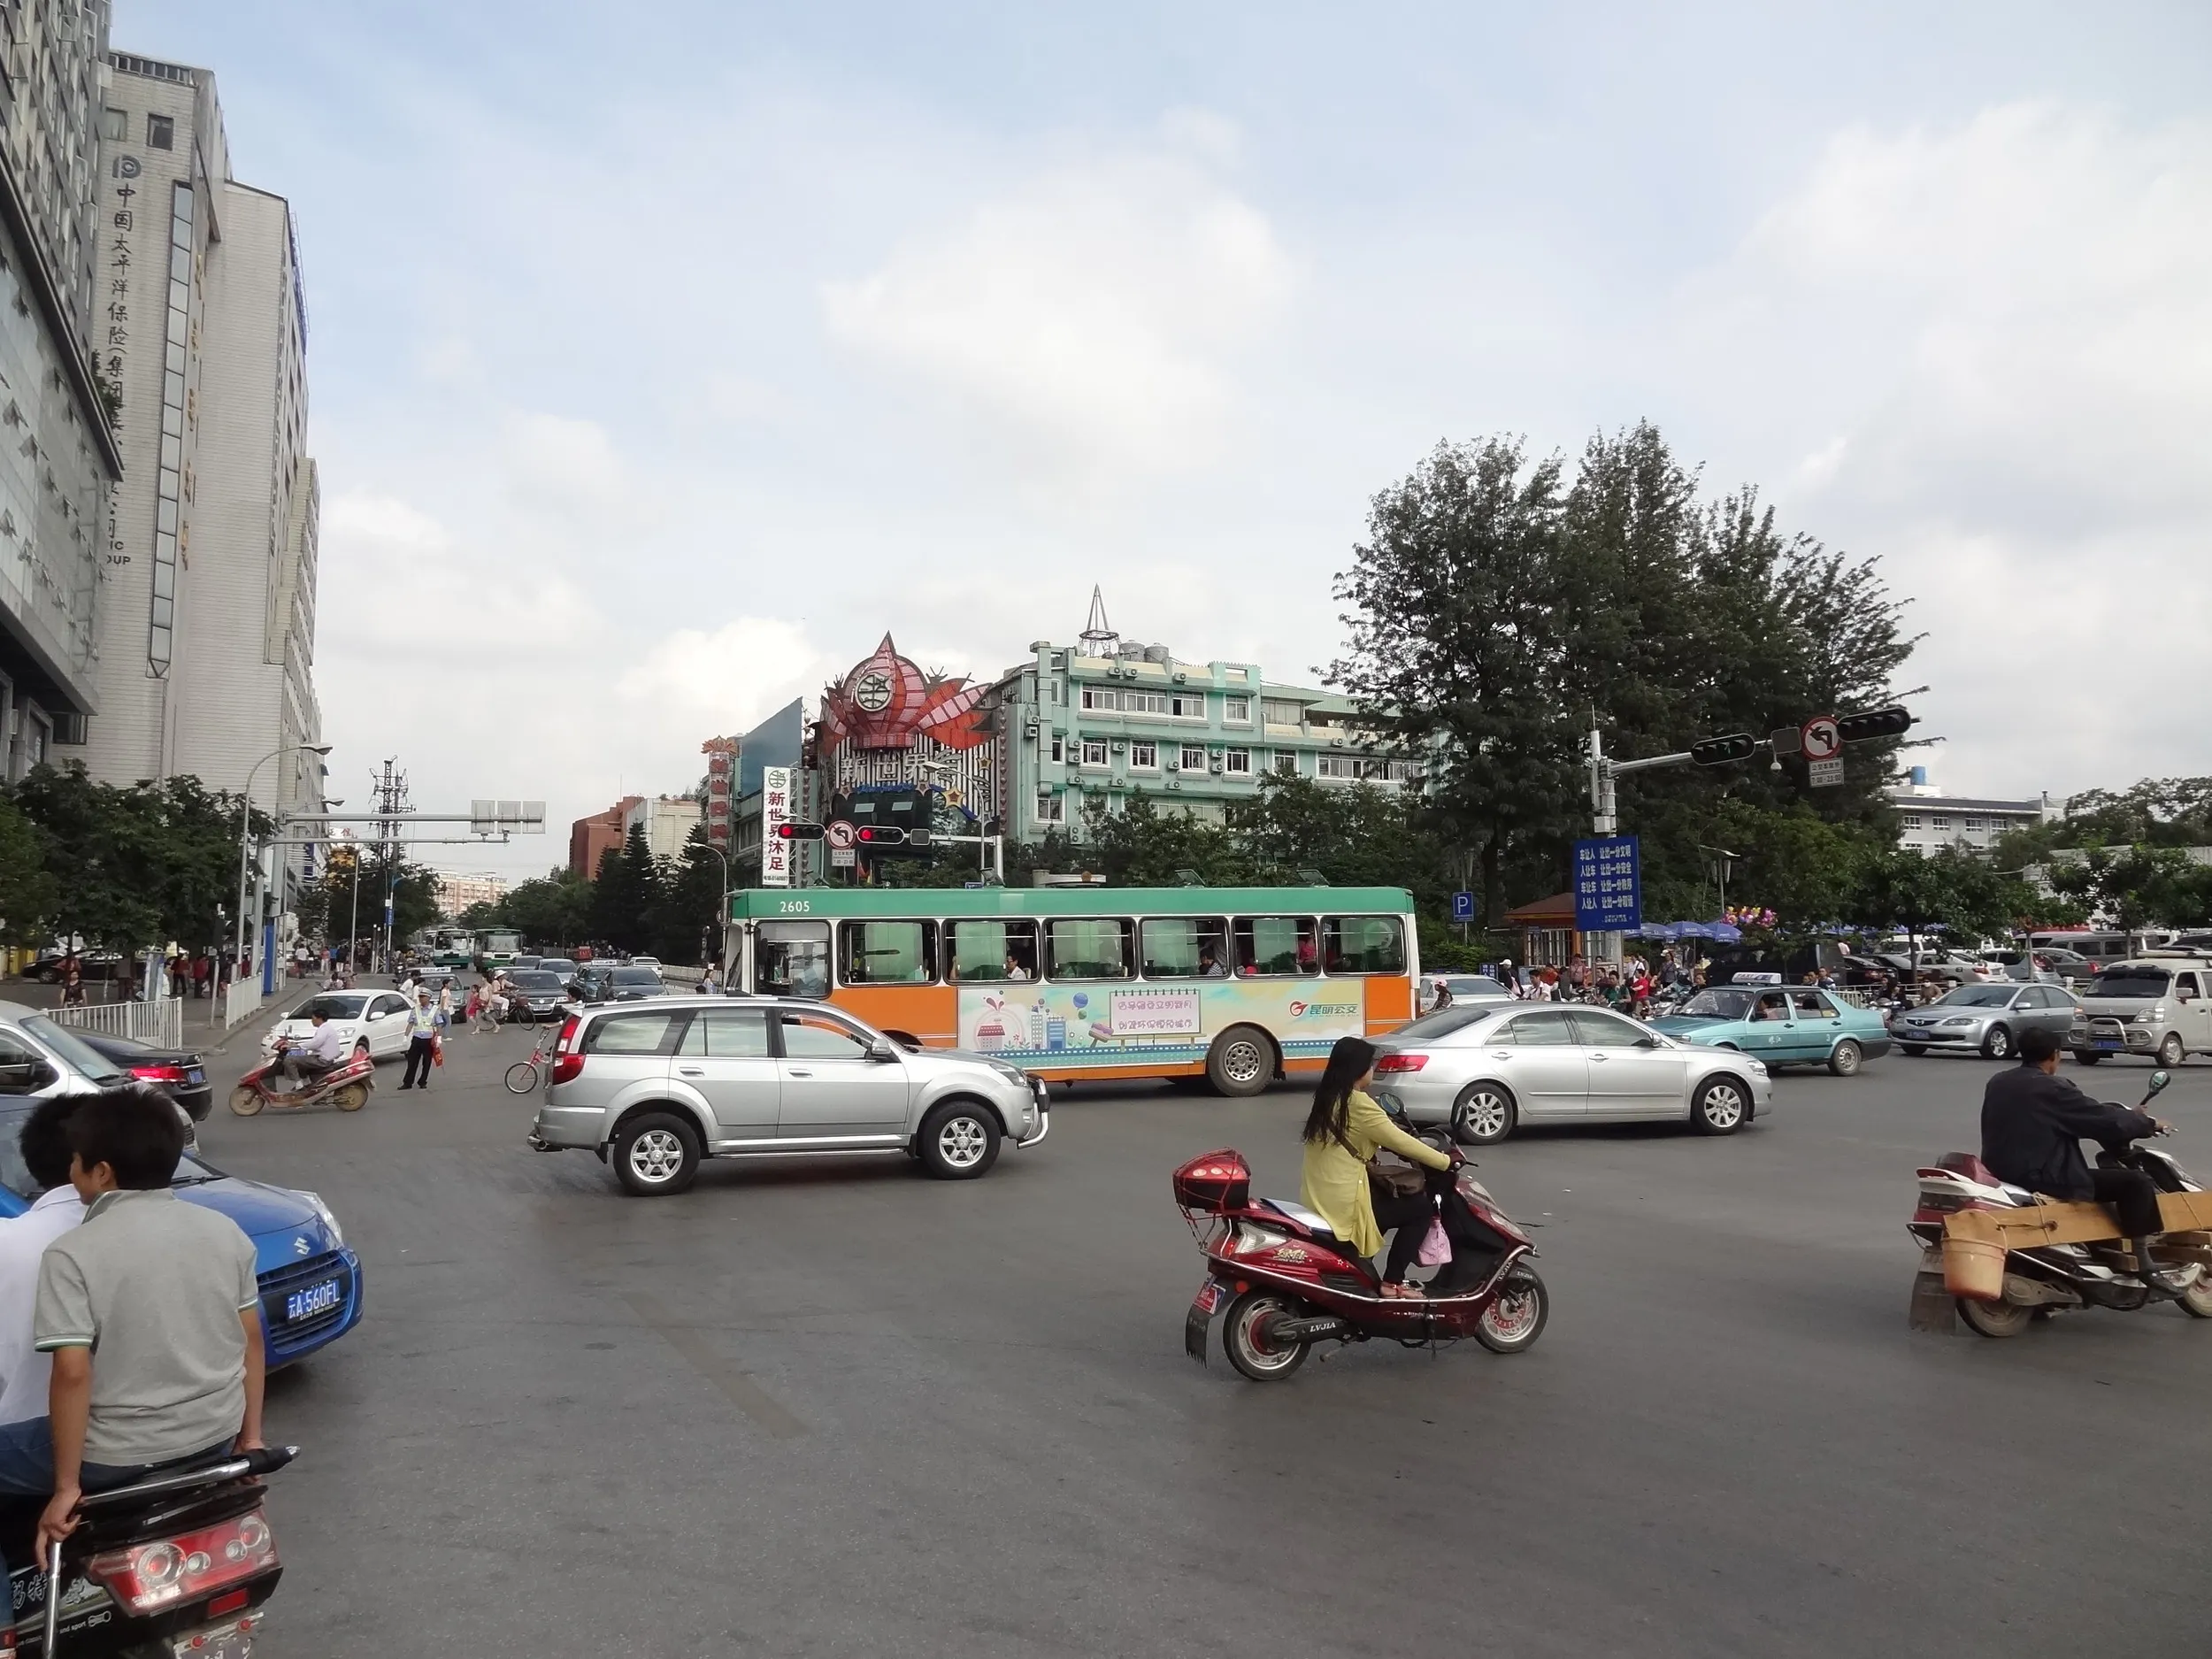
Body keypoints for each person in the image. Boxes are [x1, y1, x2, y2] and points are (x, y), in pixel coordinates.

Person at [0, 1086, 263, 1566]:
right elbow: (251, 1344)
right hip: (217, 1434)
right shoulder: (224, 1231)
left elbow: (73, 1374)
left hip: (118, 1453)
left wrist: (65, 1489)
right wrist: (251, 1439)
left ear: (100, 1173)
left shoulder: (73, 1253)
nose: (71, 1170)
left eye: (76, 1160)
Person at [1981, 1026, 2188, 1297]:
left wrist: (2128, 1115)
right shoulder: (2052, 1087)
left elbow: (2081, 1112)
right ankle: (2144, 1264)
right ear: (2055, 1055)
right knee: (2134, 1182)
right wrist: (2148, 1123)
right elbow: (2102, 1121)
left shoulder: (1999, 1081)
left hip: (2001, 1170)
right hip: (2043, 1174)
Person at [1299, 1036, 1455, 1299]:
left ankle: (1362, 1263)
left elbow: (1368, 1137)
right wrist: (1445, 1161)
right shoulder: (1358, 1104)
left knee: (1386, 1200)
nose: (1373, 1069)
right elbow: (1398, 1140)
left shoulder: (1327, 1097)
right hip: (1343, 1202)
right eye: (1371, 1064)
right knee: (1419, 1209)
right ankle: (1392, 1282)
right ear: (1359, 1069)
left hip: (1319, 1194)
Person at [278, 1007, 348, 1091]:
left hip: (322, 1060)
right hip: (322, 1057)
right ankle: (306, 1082)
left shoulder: (324, 1029)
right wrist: (295, 1045)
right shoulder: (326, 1028)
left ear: (319, 1019)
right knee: (299, 1055)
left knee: (289, 1060)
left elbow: (315, 1043)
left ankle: (299, 1085)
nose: (312, 1020)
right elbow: (314, 1042)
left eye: (313, 1018)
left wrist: (295, 1046)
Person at [398, 989, 444, 1091]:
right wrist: (405, 1036)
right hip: (417, 1039)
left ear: (428, 998)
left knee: (426, 1062)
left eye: (423, 997)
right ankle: (407, 1082)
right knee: (412, 1062)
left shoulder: (435, 1010)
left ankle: (423, 1082)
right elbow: (410, 1023)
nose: (421, 999)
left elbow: (439, 1024)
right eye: (420, 997)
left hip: (428, 1040)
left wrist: (439, 1038)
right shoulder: (415, 1009)